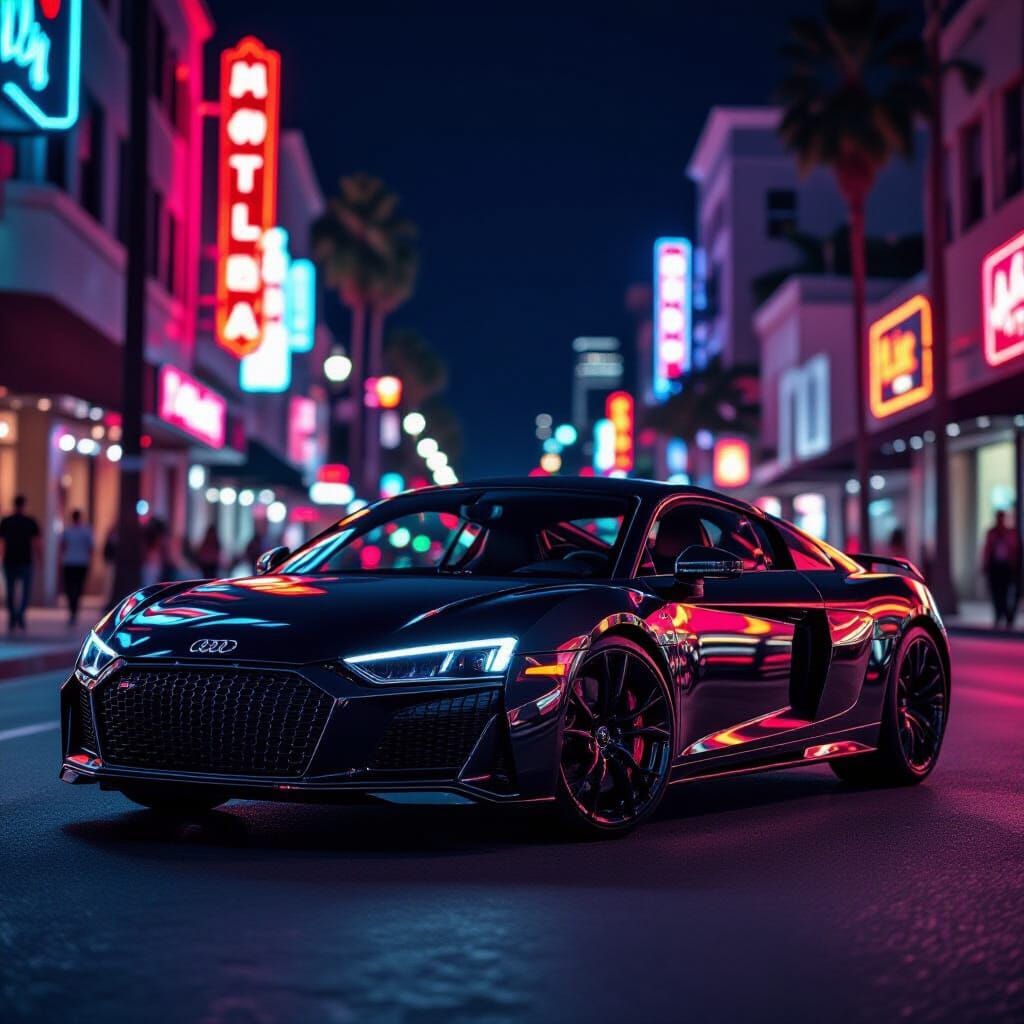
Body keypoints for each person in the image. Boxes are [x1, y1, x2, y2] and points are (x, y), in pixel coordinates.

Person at [0, 495, 41, 632]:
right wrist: (39, 559)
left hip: (10, 560)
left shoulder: (6, 521)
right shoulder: (30, 522)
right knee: (25, 592)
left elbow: (2, 543)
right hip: (25, 560)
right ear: (24, 505)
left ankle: (13, 616)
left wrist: (2, 557)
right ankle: (20, 615)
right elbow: (36, 543)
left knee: (10, 591)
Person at [981, 510, 1022, 628]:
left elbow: (1015, 549)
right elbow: (987, 549)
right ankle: (998, 615)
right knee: (996, 593)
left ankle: (1007, 616)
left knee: (1006, 592)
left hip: (1007, 567)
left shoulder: (1010, 533)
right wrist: (984, 564)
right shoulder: (992, 533)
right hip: (995, 567)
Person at [60, 509, 94, 626]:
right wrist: (90, 561)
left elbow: (62, 546)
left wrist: (61, 559)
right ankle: (74, 609)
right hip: (81, 563)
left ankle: (72, 609)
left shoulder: (67, 531)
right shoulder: (86, 531)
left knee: (70, 588)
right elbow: (91, 548)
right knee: (78, 587)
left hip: (69, 562)